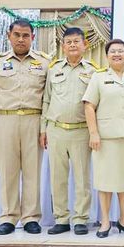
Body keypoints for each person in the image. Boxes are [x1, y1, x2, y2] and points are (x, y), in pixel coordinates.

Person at [0, 19, 50, 235]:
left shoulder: (45, 63)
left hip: (34, 121)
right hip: (5, 121)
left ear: (33, 38)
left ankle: (30, 217)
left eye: (26, 35)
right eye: (17, 34)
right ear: (9, 35)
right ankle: (8, 216)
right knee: (8, 170)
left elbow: (50, 97)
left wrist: (45, 128)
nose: (21, 39)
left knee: (32, 171)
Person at [82, 39, 124, 238]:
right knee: (104, 181)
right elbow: (88, 106)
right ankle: (104, 221)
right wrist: (93, 132)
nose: (117, 54)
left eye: (121, 51)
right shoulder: (99, 77)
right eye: (113, 51)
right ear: (107, 55)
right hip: (105, 138)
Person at [40, 27, 98, 235]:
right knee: (58, 177)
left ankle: (81, 218)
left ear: (85, 45)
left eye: (77, 41)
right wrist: (43, 129)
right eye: (68, 42)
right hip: (55, 130)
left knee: (82, 178)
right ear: (63, 46)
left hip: (81, 131)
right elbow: (46, 99)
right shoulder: (54, 69)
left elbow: (96, 103)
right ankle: (62, 219)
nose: (73, 45)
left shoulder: (94, 71)